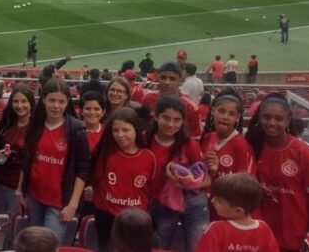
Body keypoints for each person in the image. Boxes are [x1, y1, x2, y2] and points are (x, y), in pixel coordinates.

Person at [245, 94, 309, 251]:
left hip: (294, 236)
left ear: (288, 120)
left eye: (278, 118)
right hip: (261, 233)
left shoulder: (303, 152)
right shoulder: (252, 147)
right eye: (266, 117)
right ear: (259, 118)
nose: (272, 123)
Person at [18, 78, 90, 245]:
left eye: (61, 101)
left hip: (59, 201)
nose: (56, 106)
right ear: (44, 99)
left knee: (49, 245)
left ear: (67, 102)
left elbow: (83, 168)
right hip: (34, 196)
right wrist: (20, 190)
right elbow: (27, 159)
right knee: (34, 244)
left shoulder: (76, 129)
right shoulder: (35, 125)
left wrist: (73, 204)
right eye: (52, 100)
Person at [147, 96, 208, 252]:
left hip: (193, 202)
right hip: (161, 202)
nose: (171, 124)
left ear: (183, 121)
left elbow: (206, 179)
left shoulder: (190, 144)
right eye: (166, 118)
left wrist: (187, 182)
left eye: (177, 120)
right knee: (159, 246)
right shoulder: (144, 140)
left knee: (198, 247)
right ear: (156, 116)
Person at [91, 108, 156, 252]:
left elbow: (152, 189)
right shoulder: (105, 153)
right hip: (105, 214)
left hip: (135, 218)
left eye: (126, 130)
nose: (120, 135)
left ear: (136, 130)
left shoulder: (149, 157)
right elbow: (95, 180)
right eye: (116, 130)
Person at [196, 173, 279, 252]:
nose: (212, 201)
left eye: (219, 201)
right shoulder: (264, 229)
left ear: (238, 211)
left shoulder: (216, 229)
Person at [0, 84, 34, 218]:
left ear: (31, 103)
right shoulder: (7, 123)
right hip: (0, 181)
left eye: (24, 101)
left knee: (14, 222)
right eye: (16, 101)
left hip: (18, 186)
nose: (20, 105)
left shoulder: (36, 128)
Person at [201, 91, 255, 191]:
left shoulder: (242, 146)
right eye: (221, 111)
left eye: (231, 114)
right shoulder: (206, 138)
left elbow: (247, 188)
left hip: (227, 200)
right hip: (204, 199)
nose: (225, 117)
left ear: (237, 118)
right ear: (213, 111)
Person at [141, 62, 201, 138]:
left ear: (180, 80)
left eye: (172, 79)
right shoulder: (148, 99)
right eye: (163, 78)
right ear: (158, 77)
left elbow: (195, 137)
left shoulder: (191, 107)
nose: (167, 82)